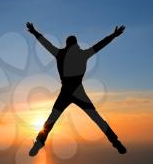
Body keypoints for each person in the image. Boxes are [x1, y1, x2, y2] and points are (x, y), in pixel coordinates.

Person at [26, 22, 127, 156]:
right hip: (79, 92)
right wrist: (113, 36)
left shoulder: (59, 53)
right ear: (76, 44)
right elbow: (100, 45)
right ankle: (116, 142)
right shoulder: (83, 54)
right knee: (97, 118)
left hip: (65, 93)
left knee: (52, 119)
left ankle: (38, 143)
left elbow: (46, 43)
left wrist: (34, 32)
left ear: (67, 44)